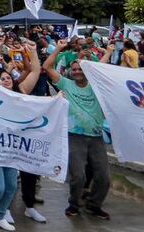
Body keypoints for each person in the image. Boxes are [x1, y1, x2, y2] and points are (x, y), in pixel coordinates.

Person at [0, 46, 41, 232]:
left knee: (11, 187)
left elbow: (35, 70)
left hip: (11, 149)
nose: (6, 80)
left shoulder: (20, 91)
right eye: (1, 79)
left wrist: (33, 52)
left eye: (7, 77)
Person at [44, 39, 111, 219]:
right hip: (75, 136)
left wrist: (109, 52)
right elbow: (47, 66)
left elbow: (103, 67)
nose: (77, 72)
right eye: (74, 69)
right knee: (78, 176)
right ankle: (74, 204)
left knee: (104, 178)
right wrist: (58, 48)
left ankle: (94, 205)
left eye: (80, 69)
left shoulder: (97, 87)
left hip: (96, 137)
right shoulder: (66, 84)